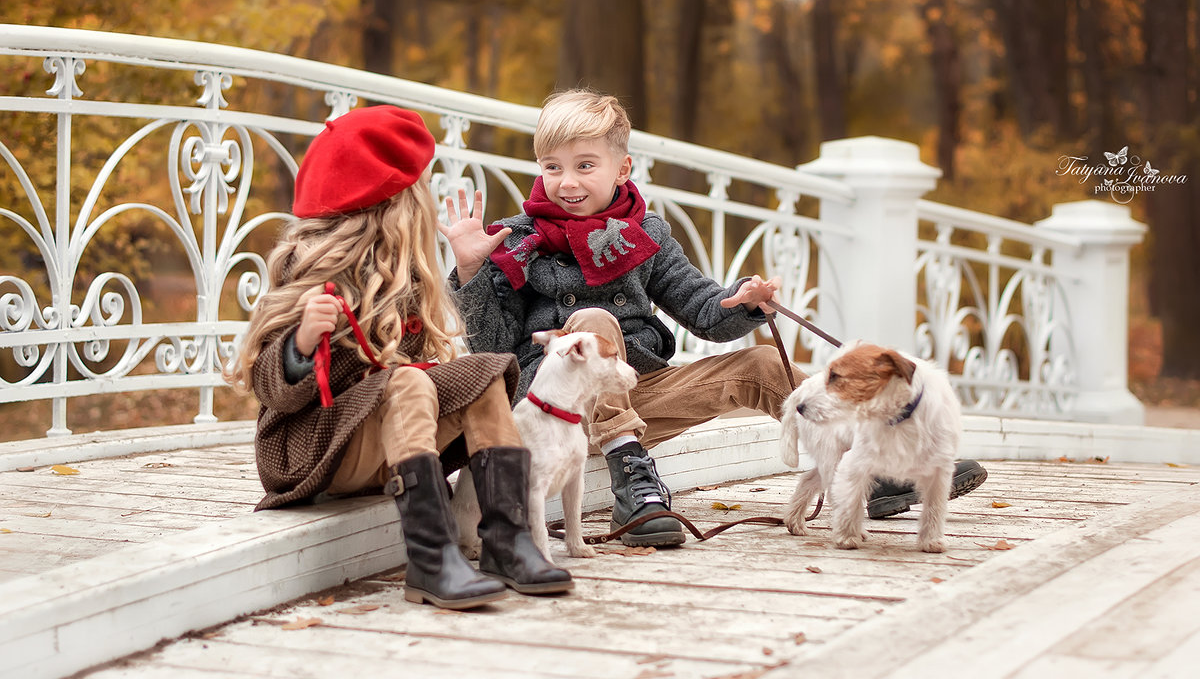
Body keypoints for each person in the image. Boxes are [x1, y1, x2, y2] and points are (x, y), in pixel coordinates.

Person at [441, 89, 988, 547]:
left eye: (586, 165)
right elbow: (494, 348)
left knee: (762, 362)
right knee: (591, 322)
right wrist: (469, 270)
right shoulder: (513, 242)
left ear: (621, 168)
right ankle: (636, 492)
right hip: (551, 408)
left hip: (639, 393)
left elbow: (702, 309)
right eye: (553, 167)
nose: (568, 182)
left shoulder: (647, 235)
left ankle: (876, 473)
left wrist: (742, 302)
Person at [226, 104, 571, 610]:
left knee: (486, 371)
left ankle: (507, 540)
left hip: (384, 441)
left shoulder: (404, 276)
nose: (428, 197)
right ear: (394, 200)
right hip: (313, 450)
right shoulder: (307, 270)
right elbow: (267, 385)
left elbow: (445, 371)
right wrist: (300, 345)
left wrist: (470, 272)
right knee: (408, 381)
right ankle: (432, 559)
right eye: (422, 185)